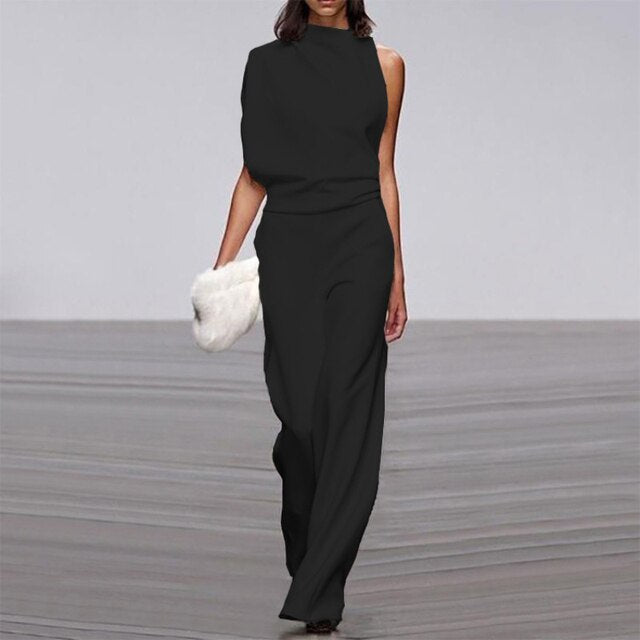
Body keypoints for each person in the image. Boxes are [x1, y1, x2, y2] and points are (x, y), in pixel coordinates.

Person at [213, 0, 407, 633]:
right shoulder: (265, 66)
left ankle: (319, 593)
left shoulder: (387, 65)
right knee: (300, 419)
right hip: (291, 245)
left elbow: (384, 169)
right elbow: (253, 175)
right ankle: (308, 542)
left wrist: (397, 272)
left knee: (349, 410)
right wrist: (221, 269)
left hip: (361, 244)